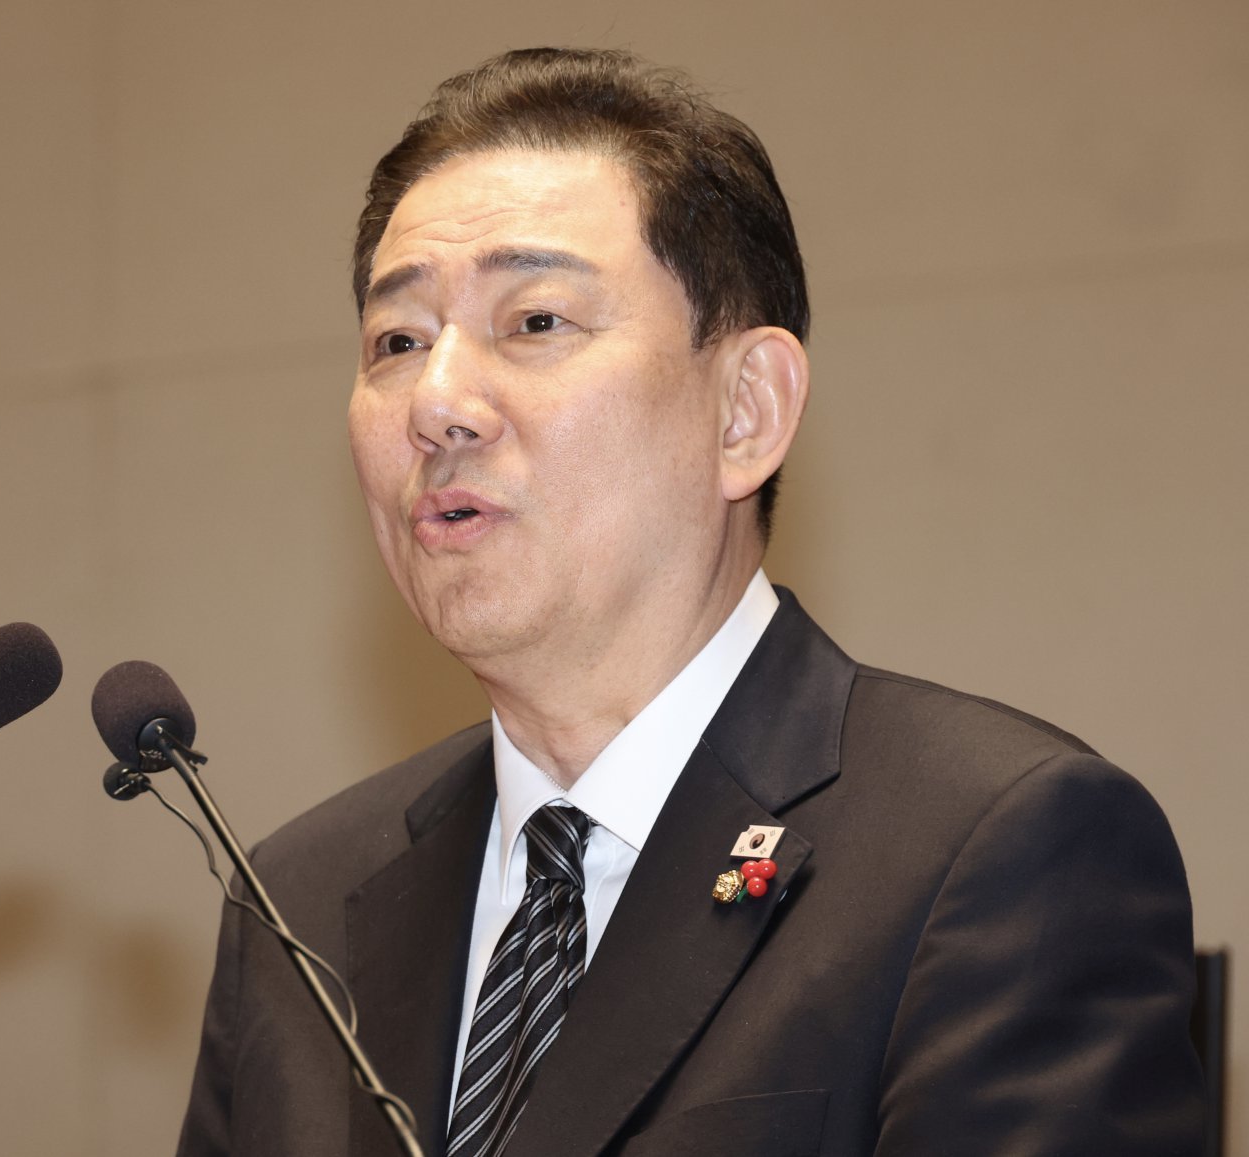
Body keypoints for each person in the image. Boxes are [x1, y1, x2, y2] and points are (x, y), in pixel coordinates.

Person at [178, 48, 1204, 1157]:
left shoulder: (992, 851)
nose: (437, 403)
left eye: (535, 321)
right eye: (398, 341)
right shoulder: (297, 902)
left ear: (745, 411)